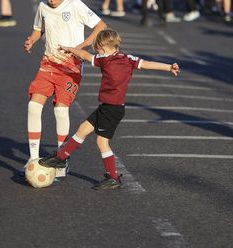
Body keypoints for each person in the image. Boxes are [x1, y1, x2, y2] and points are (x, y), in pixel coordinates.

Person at [40, 29, 179, 189]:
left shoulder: (104, 59)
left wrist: (70, 49)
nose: (96, 51)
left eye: (96, 48)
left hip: (112, 109)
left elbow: (85, 56)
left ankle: (113, 177)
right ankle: (61, 157)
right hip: (109, 107)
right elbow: (147, 64)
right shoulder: (128, 58)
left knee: (102, 142)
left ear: (102, 47)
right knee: (83, 129)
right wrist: (168, 67)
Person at [24, 0, 106, 177]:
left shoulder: (75, 5)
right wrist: (32, 40)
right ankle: (33, 159)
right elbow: (38, 29)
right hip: (48, 64)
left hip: (70, 68)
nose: (51, 0)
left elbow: (100, 26)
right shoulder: (43, 8)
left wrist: (82, 46)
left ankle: (61, 160)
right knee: (34, 106)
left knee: (60, 111)